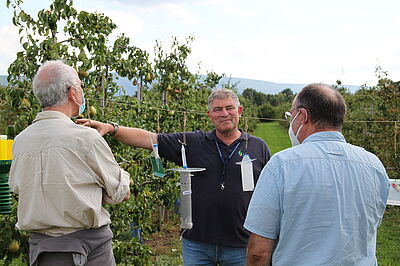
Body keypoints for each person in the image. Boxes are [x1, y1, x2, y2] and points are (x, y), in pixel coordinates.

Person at [78, 88, 271, 265]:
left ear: (240, 110)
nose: (224, 113)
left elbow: (269, 195)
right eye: (218, 109)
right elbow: (150, 139)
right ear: (210, 115)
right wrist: (113, 128)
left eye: (229, 108)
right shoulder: (194, 142)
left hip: (241, 243)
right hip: (198, 243)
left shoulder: (258, 147)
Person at [244, 83, 390, 265]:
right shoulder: (374, 165)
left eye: (291, 115)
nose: (291, 122)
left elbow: (258, 251)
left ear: (303, 116)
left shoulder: (282, 165)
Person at [9, 60, 131, 265]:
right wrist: (97, 190)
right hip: (91, 246)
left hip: (43, 248)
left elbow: (18, 188)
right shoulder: (86, 139)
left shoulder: (20, 141)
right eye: (81, 87)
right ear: (72, 93)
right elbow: (121, 193)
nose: (82, 93)